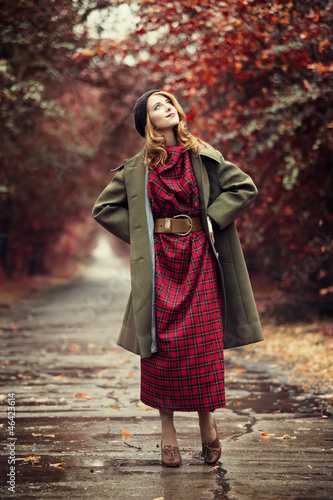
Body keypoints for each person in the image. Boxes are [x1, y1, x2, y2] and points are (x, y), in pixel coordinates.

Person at [92, 90, 263, 467]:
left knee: (202, 344)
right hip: (159, 263)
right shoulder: (137, 169)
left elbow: (243, 187)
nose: (168, 107)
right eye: (157, 106)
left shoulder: (201, 155)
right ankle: (167, 435)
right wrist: (141, 233)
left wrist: (211, 219)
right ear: (147, 123)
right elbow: (104, 209)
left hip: (201, 256)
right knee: (161, 347)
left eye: (169, 102)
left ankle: (208, 425)